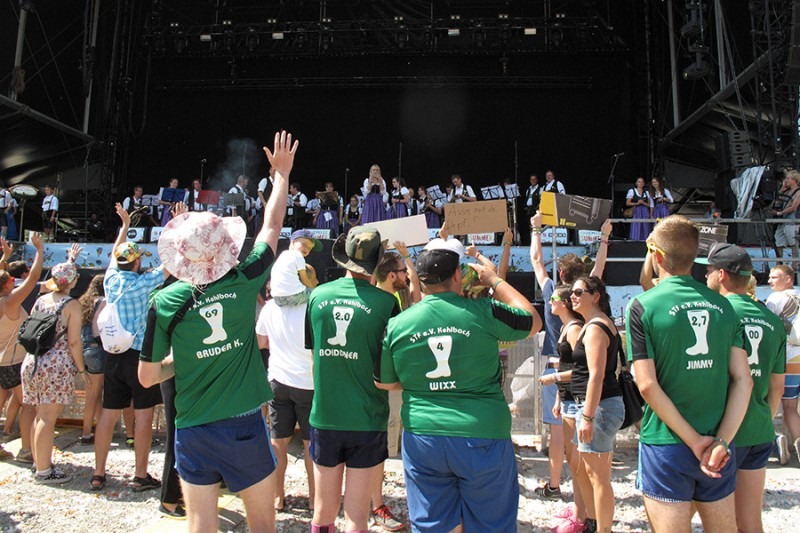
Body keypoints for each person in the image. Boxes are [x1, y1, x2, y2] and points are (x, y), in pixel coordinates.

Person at [138, 130, 297, 532]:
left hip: (192, 425)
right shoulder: (244, 280)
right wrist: (281, 176)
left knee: (200, 525)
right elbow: (272, 227)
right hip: (243, 422)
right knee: (263, 525)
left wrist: (183, 358)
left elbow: (147, 377)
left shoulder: (165, 302)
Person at [377, 239, 541, 532]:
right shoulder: (484, 311)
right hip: (482, 433)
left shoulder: (398, 324)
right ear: (457, 275)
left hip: (423, 434)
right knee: (491, 523)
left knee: (433, 524)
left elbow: (386, 382)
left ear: (421, 279)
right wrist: (494, 280)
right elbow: (532, 321)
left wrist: (426, 383)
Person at [626, 215, 753, 533]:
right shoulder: (724, 306)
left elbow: (647, 385)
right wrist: (721, 441)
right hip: (718, 443)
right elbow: (744, 380)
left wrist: (694, 441)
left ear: (657, 256)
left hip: (666, 443)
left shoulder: (642, 306)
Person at [305, 226, 400, 533]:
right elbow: (389, 368)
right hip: (367, 418)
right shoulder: (387, 304)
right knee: (357, 516)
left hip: (326, 414)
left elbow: (314, 356)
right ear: (377, 261)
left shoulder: (317, 296)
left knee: (322, 512)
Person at [698, 243, 786, 533]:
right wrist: (760, 421)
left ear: (721, 275)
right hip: (758, 428)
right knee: (750, 522)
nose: (705, 275)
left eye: (709, 270)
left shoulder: (717, 314)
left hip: (720, 431)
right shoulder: (772, 320)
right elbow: (777, 388)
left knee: (711, 520)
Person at [530, 212, 612, 502]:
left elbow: (536, 261)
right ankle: (582, 492)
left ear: (561, 274)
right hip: (581, 375)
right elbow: (599, 270)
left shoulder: (553, 294)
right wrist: (604, 238)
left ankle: (556, 485)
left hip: (558, 369)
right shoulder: (585, 299)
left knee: (560, 436)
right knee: (579, 437)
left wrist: (535, 229)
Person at [91, 204, 170, 492]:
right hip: (139, 355)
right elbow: (169, 266)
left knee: (108, 414)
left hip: (113, 354)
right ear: (136, 262)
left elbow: (116, 252)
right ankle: (140, 475)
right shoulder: (143, 283)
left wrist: (124, 227)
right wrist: (174, 227)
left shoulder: (110, 280)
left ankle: (98, 473)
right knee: (143, 415)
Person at [22, 259, 90, 484]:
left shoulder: (41, 300)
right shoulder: (72, 305)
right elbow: (74, 342)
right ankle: (44, 471)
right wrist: (81, 370)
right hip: (55, 364)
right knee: (48, 418)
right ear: (73, 281)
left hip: (33, 360)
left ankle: (38, 462)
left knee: (40, 415)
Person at [567, 276, 624, 533]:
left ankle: (603, 529)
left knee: (598, 476)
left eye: (579, 292)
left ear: (596, 296)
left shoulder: (596, 328)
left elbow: (596, 375)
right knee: (584, 469)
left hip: (599, 408)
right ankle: (593, 523)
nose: (573, 296)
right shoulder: (593, 324)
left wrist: (588, 417)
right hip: (594, 407)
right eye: (572, 291)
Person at [255, 290, 315, 513]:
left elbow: (261, 341)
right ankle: (314, 499)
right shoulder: (312, 306)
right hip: (308, 382)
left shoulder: (270, 307)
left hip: (278, 381)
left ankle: (277, 497)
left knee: (278, 442)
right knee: (311, 444)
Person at [537, 285, 588, 532]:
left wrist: (554, 379)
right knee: (573, 459)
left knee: (580, 462)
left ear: (565, 303)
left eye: (554, 298)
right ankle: (580, 510)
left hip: (578, 400)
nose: (549, 302)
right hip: (567, 399)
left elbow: (583, 368)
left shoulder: (575, 328)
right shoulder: (565, 328)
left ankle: (585, 517)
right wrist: (559, 397)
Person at [0, 235, 44, 464]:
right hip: (14, 360)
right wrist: (39, 250)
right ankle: (27, 450)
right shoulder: (9, 302)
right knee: (28, 405)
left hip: (1, 360)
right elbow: (33, 278)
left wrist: (5, 258)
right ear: (8, 284)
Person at [765, 264, 800, 464]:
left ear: (788, 278)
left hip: (789, 359)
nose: (770, 280)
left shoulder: (775, 299)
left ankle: (784, 441)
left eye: (775, 277)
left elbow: (771, 327)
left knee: (788, 406)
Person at [77, 273, 107, 445]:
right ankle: (86, 433)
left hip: (84, 350)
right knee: (94, 395)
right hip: (97, 349)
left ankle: (98, 428)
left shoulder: (83, 301)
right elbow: (98, 329)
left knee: (93, 395)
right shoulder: (102, 302)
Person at [270, 229, 321, 307]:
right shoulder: (298, 256)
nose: (306, 249)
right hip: (294, 295)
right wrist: (313, 290)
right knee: (319, 296)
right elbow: (305, 280)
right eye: (304, 244)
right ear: (293, 242)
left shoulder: (283, 255)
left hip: (277, 297)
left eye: (310, 248)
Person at [770, 171, 800, 261]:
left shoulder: (798, 192)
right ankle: (779, 264)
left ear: (794, 180)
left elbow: (793, 207)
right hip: (782, 221)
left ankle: (795, 266)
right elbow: (776, 203)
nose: (786, 180)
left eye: (788, 178)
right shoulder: (786, 192)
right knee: (779, 243)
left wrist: (780, 213)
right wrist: (781, 190)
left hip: (792, 221)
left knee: (793, 244)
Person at [626, 177, 653, 241]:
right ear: (636, 183)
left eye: (642, 182)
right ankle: (635, 239)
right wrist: (637, 203)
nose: (641, 183)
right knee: (637, 225)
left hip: (645, 211)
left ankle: (645, 239)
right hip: (637, 210)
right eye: (639, 182)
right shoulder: (632, 191)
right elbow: (627, 203)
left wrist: (643, 203)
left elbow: (650, 205)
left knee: (645, 225)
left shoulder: (646, 192)